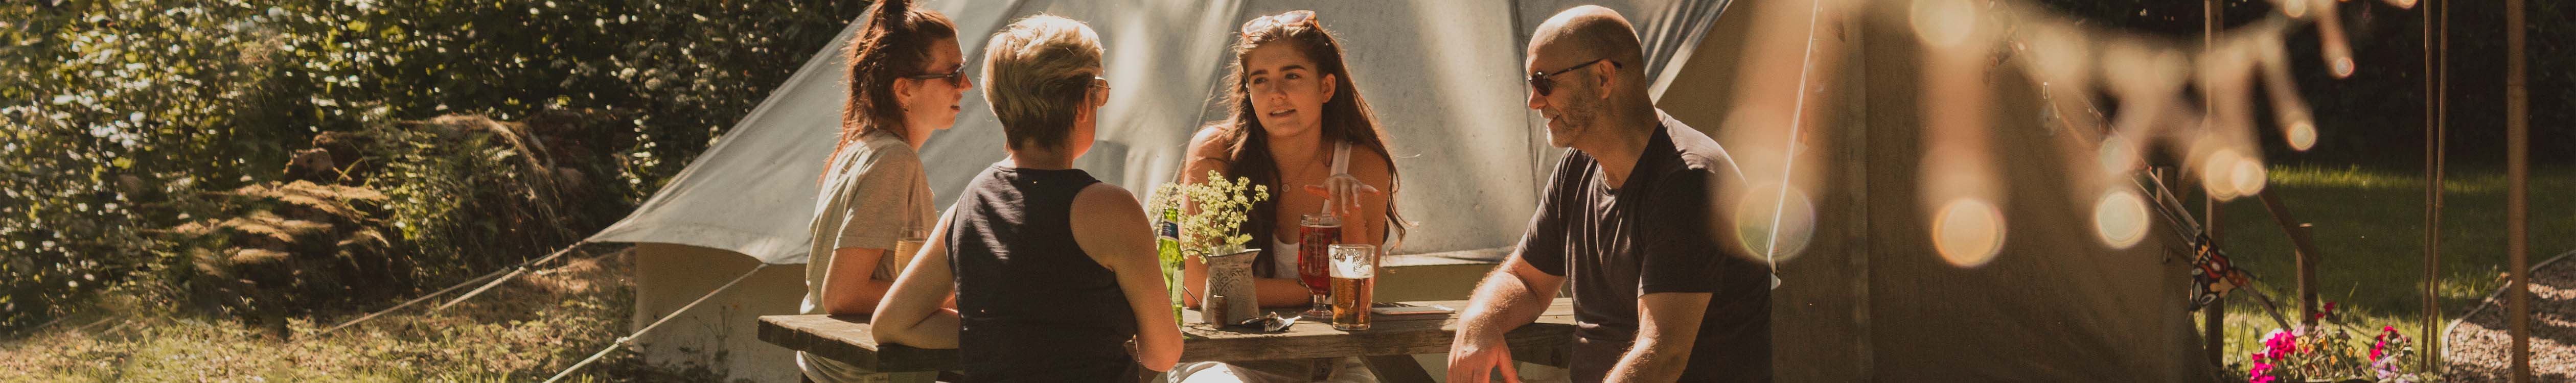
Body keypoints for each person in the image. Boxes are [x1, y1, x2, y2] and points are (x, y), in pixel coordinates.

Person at [1445, 5, 1772, 383]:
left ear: (1603, 78)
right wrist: (1479, 320)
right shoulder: (1576, 170)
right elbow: (1526, 282)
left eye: (1544, 83)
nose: (1534, 101)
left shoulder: (1688, 182)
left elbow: (1662, 354)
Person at [869, 14, 1184, 382]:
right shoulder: (1112, 210)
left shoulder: (971, 204)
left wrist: (999, 337)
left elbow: (893, 323)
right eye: (1100, 92)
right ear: (1083, 104)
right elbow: (1163, 353)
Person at [1167, 9, 1404, 383]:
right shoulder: (1215, 152)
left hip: (1326, 364)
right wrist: (1313, 291)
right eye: (1260, 80)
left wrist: (1352, 214)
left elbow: (1355, 299)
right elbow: (1200, 288)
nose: (1276, 94)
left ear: (1326, 87)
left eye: (1292, 76)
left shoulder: (1361, 162)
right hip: (1226, 360)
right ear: (1248, 90)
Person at [797, 0, 965, 381]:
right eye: (953, 74)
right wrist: (942, 298)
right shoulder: (893, 161)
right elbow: (842, 294)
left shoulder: (863, 147)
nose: (966, 86)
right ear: (905, 89)